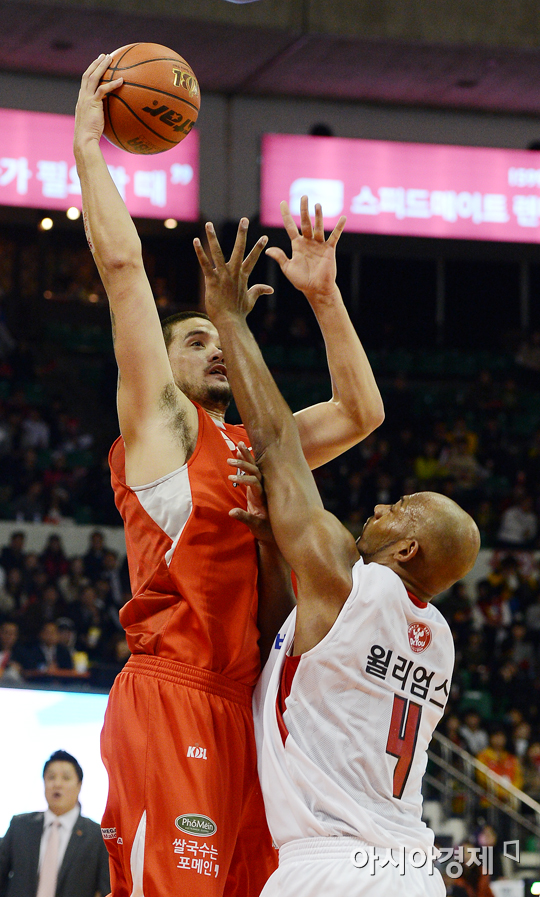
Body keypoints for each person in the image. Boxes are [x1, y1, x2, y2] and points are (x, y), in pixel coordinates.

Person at [73, 55, 384, 897]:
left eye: (218, 340)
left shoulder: (257, 443)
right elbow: (124, 272)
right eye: (195, 341)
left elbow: (360, 413)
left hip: (251, 706)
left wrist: (323, 297)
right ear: (161, 367)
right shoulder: (161, 429)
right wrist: (90, 146)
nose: (214, 347)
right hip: (172, 692)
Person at [197, 221, 481, 897]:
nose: (381, 507)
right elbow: (304, 655)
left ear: (407, 547)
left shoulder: (345, 580)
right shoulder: (436, 637)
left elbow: (274, 444)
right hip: (411, 867)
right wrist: (271, 545)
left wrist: (230, 320)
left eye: (399, 507)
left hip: (333, 866)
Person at [0, 750, 110, 897]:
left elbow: (106, 889)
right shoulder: (20, 826)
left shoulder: (96, 836)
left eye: (66, 778)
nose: (57, 784)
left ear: (79, 785)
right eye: (51, 777)